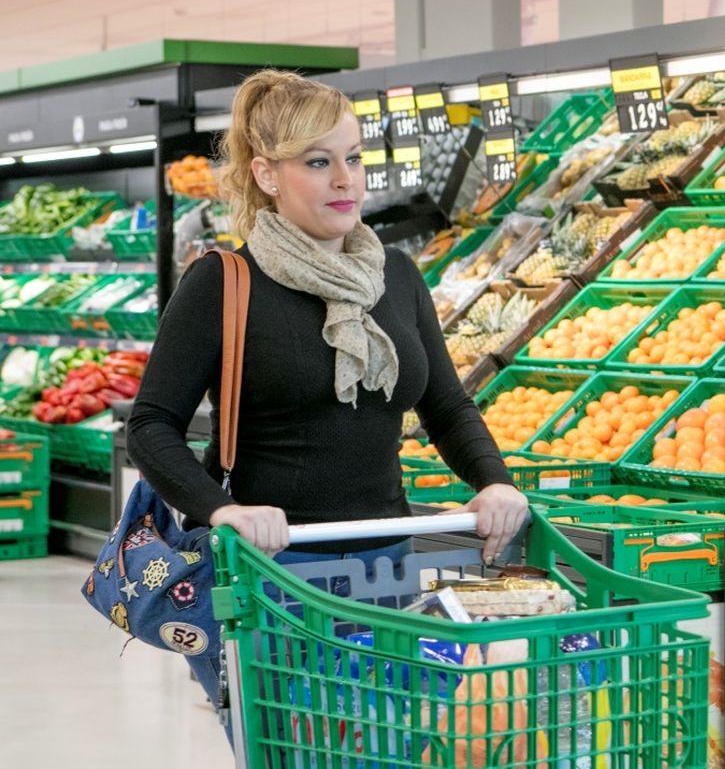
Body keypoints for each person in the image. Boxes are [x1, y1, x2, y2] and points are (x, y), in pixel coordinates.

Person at [127, 69, 528, 715]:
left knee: (392, 748)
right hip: (272, 579)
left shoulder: (394, 276)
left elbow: (447, 406)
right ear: (265, 175)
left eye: (354, 157)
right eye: (318, 162)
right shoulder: (224, 283)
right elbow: (149, 426)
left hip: (390, 574)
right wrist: (222, 510)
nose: (346, 180)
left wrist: (493, 480)